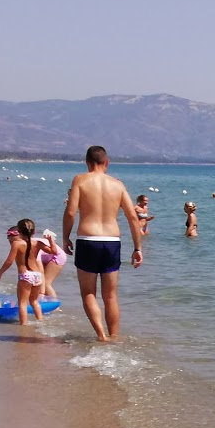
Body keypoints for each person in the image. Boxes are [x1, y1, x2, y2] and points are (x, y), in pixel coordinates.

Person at [62, 145, 143, 342]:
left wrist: (65, 237)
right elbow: (133, 217)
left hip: (88, 241)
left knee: (89, 293)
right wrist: (138, 248)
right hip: (112, 242)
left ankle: (101, 335)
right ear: (106, 162)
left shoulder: (80, 180)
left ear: (87, 163)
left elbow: (71, 212)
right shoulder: (118, 184)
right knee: (111, 296)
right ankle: (114, 337)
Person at [0, 219, 51, 325]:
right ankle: (40, 321)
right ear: (34, 232)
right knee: (34, 301)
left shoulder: (17, 244)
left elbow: (9, 261)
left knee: (22, 303)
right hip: (38, 275)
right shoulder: (38, 243)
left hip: (26, 276)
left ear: (19, 231)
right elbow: (54, 252)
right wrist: (51, 241)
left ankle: (23, 326)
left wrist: (0, 273)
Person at [39, 229, 66, 297]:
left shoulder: (30, 245)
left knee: (45, 283)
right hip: (47, 255)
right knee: (38, 282)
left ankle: (55, 306)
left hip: (57, 256)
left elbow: (38, 267)